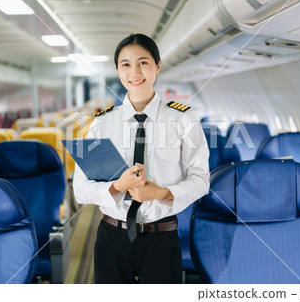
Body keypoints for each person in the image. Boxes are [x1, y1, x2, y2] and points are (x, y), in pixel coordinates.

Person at [73, 33, 210, 284]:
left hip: (161, 237)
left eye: (143, 62)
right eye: (126, 64)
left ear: (157, 66)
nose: (134, 72)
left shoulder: (183, 121)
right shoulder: (102, 123)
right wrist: (117, 187)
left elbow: (201, 180)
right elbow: (80, 189)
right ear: (117, 69)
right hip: (111, 237)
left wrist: (162, 193)